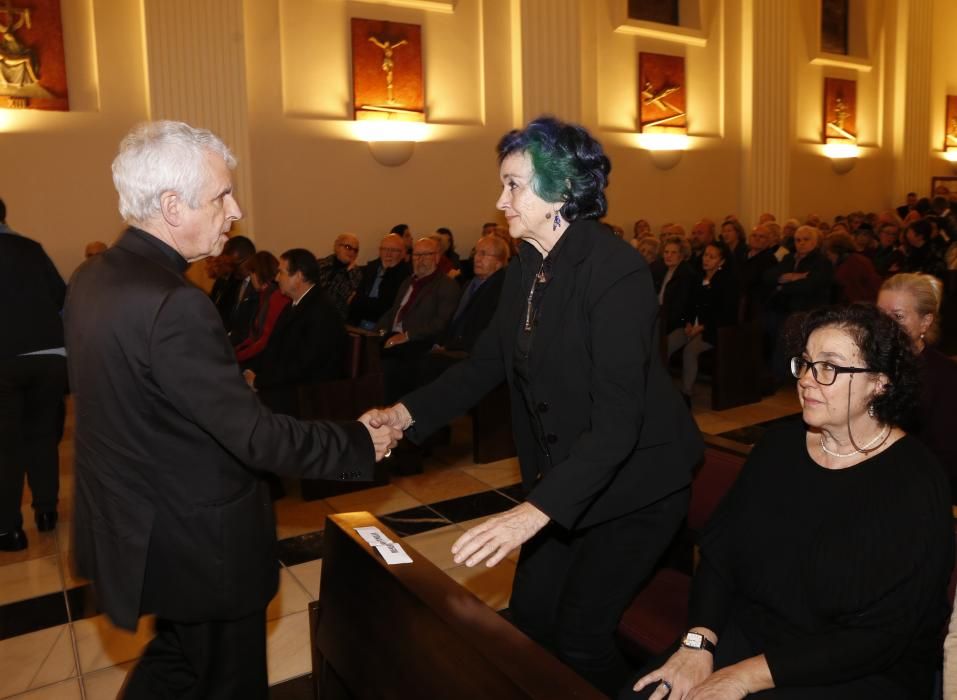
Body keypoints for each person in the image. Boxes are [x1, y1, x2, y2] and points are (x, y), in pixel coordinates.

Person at [63, 121, 399, 700]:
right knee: (226, 681)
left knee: (178, 658)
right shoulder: (174, 303)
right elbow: (253, 436)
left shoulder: (94, 277)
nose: (236, 209)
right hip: (200, 540)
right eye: (222, 195)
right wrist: (358, 440)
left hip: (141, 525)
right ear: (172, 205)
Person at [368, 117, 702, 695]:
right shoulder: (526, 263)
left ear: (563, 190)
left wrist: (532, 512)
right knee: (528, 624)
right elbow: (483, 365)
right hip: (568, 479)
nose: (501, 201)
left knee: (579, 639)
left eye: (514, 185)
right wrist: (404, 415)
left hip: (636, 487)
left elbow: (619, 423)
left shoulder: (616, 270)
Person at [626, 303, 953, 700]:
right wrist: (699, 642)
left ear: (880, 383)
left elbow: (881, 637)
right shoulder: (779, 446)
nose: (807, 380)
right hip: (753, 633)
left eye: (829, 367)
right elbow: (719, 553)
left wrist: (743, 677)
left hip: (859, 670)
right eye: (806, 363)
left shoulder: (914, 483)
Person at [0, 224, 68, 551]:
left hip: (4, 360)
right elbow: (61, 297)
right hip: (49, 356)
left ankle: (10, 528)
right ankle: (46, 512)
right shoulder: (32, 248)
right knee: (42, 434)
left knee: (6, 444)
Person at [878, 273, 957, 503]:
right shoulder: (866, 362)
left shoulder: (945, 375)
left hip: (915, 490)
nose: (886, 324)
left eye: (898, 316)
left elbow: (946, 455)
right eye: (881, 314)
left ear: (925, 321)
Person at [244, 248, 347, 417]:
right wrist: (252, 372)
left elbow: (305, 365)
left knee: (247, 407)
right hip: (291, 384)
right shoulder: (295, 304)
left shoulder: (321, 310)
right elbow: (274, 348)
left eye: (281, 273)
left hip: (310, 394)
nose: (276, 278)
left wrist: (260, 381)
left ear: (299, 276)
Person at [376, 236, 461, 402]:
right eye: (416, 255)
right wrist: (375, 332)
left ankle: (391, 412)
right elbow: (394, 311)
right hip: (395, 337)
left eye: (426, 255)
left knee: (388, 365)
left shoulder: (446, 286)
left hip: (421, 342)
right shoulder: (408, 282)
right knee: (363, 351)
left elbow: (440, 324)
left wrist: (407, 336)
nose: (420, 260)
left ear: (436, 257)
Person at [667, 242, 738, 404]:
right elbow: (689, 305)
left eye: (712, 257)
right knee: (667, 343)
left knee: (690, 351)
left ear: (721, 262)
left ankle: (686, 394)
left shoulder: (727, 282)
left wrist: (701, 327)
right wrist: (688, 323)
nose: (706, 259)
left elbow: (725, 314)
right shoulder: (698, 277)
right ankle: (662, 387)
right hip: (692, 327)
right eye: (706, 255)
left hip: (713, 331)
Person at [234, 251, 290, 368]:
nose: (251, 278)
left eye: (251, 274)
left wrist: (237, 356)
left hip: (269, 359)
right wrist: (235, 351)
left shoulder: (276, 296)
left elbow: (265, 340)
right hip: (261, 354)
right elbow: (254, 336)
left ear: (258, 273)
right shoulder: (265, 294)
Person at [348, 233, 411, 329]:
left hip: (382, 327)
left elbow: (387, 307)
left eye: (393, 250)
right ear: (380, 251)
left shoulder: (406, 276)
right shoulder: (371, 269)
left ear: (403, 253)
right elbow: (354, 301)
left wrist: (358, 301)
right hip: (357, 323)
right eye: (384, 249)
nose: (388, 253)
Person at [822, 231, 882, 303]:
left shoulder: (846, 268)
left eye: (829, 254)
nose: (829, 258)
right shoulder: (860, 259)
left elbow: (850, 296)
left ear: (836, 251)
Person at [317, 233, 363, 319]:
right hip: (311, 313)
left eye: (355, 250)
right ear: (336, 246)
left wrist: (351, 272)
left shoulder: (357, 275)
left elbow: (350, 300)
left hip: (334, 319)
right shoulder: (320, 265)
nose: (352, 252)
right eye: (348, 247)